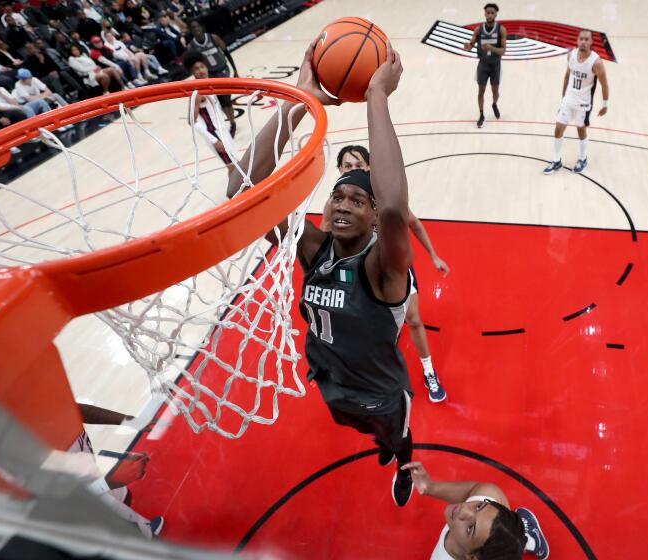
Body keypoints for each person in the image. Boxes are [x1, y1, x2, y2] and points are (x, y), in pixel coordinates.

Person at [228, 41, 418, 507]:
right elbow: (241, 192)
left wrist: (377, 97)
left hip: (382, 392)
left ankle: (402, 459)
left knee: (394, 439)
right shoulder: (314, 249)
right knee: (356, 427)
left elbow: (395, 208)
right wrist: (298, 100)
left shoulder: (382, 268)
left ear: (373, 219)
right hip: (332, 386)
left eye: (358, 201)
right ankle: (380, 442)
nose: (343, 205)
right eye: (338, 197)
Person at [323, 145, 449, 403]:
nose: (353, 170)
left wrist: (434, 256)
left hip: (395, 269)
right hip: (362, 275)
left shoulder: (385, 197)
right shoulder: (334, 205)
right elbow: (326, 243)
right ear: (339, 170)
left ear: (369, 167)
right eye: (347, 166)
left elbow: (413, 223)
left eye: (358, 165)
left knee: (413, 320)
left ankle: (428, 370)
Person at [401, 462, 550, 560]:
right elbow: (473, 490)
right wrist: (430, 487)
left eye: (470, 528)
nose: (463, 509)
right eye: (479, 507)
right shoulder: (490, 495)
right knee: (489, 492)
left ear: (472, 557)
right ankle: (527, 540)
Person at [70, 403, 163, 539]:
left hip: (87, 474)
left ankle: (138, 526)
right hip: (78, 498)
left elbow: (74, 409)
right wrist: (107, 483)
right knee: (143, 538)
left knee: (124, 495)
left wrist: (131, 421)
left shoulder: (47, 396)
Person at [543, 29, 610, 175]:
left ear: (591, 42)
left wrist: (605, 105)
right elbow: (567, 76)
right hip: (568, 100)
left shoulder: (596, 62)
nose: (584, 42)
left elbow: (604, 84)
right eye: (581, 39)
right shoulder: (571, 55)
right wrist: (563, 98)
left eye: (587, 39)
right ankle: (556, 161)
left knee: (581, 130)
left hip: (583, 103)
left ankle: (582, 158)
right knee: (558, 128)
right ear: (577, 40)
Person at [182, 50, 235, 175]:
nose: (201, 70)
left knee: (236, 165)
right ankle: (233, 195)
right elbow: (191, 121)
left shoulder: (209, 84)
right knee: (232, 167)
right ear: (192, 72)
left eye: (202, 66)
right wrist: (214, 140)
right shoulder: (198, 92)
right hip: (214, 135)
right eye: (196, 69)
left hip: (223, 130)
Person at [188, 19, 238, 136]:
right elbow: (193, 64)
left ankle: (232, 123)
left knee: (226, 99)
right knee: (220, 102)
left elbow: (226, 52)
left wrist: (235, 69)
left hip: (222, 70)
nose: (196, 30)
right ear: (191, 31)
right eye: (193, 28)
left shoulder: (213, 37)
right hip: (209, 75)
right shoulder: (192, 46)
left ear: (202, 28)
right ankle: (229, 122)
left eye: (198, 27)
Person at [463, 3, 506, 129]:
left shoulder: (501, 30)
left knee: (495, 92)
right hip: (483, 64)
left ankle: (494, 104)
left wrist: (491, 48)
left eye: (492, 13)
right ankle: (481, 114)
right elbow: (471, 45)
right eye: (488, 12)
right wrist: (468, 47)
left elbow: (503, 51)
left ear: (496, 14)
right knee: (481, 90)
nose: (490, 15)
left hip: (495, 65)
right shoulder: (478, 30)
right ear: (485, 13)